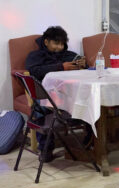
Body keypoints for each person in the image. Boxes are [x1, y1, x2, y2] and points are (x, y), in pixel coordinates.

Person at [25, 26, 88, 162]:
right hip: (48, 96)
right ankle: (46, 148)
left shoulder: (69, 55)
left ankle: (88, 143)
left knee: (91, 100)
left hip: (71, 94)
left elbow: (84, 70)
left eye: (62, 44)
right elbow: (33, 71)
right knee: (39, 107)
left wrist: (83, 64)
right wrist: (61, 67)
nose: (59, 47)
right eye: (56, 43)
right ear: (46, 42)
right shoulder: (35, 56)